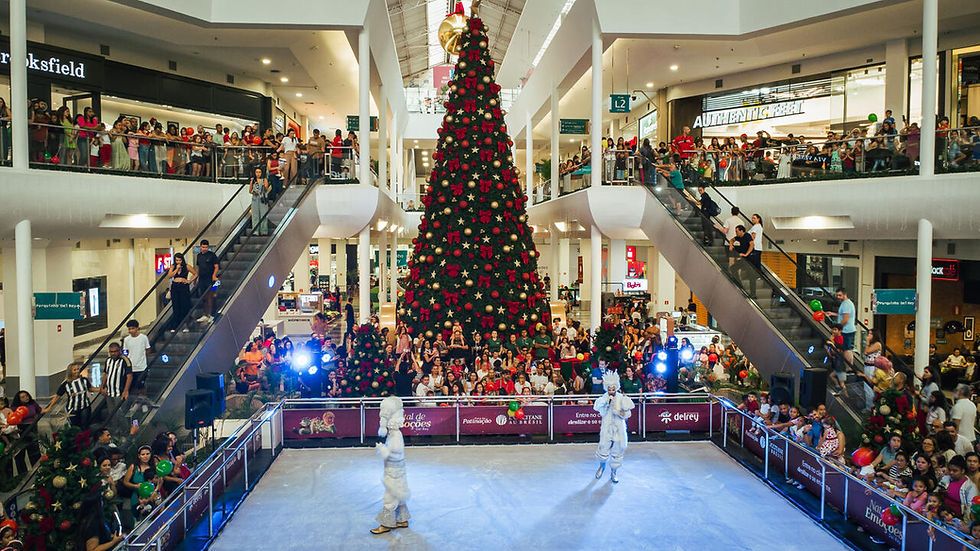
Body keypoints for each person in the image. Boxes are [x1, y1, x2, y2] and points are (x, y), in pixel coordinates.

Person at [372, 395, 410, 534]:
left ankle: (386, 524)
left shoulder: (395, 435)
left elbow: (395, 451)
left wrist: (383, 450)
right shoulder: (394, 434)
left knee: (390, 495)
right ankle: (401, 519)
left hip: (394, 470)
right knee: (398, 492)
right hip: (396, 469)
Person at [593, 370, 635, 483]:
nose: (611, 391)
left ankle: (614, 472)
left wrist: (620, 412)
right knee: (603, 448)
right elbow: (597, 408)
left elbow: (628, 414)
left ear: (616, 387)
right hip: (607, 428)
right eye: (609, 389)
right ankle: (601, 466)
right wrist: (606, 402)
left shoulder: (622, 398)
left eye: (613, 388)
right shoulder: (604, 398)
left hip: (618, 428)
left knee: (618, 450)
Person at [41, 363, 98, 429]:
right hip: (72, 410)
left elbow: (91, 388)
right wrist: (49, 407)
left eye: (78, 369)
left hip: (85, 407)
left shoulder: (84, 380)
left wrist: (102, 389)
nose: (77, 371)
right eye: (74, 370)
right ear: (70, 372)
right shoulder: (65, 384)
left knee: (85, 425)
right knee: (75, 427)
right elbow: (57, 396)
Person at [165, 253, 197, 332]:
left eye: (179, 260)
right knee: (176, 306)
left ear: (182, 260)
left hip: (183, 286)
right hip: (175, 286)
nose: (178, 262)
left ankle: (185, 325)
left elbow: (196, 273)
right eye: (176, 260)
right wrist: (176, 269)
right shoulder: (173, 266)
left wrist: (189, 281)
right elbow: (169, 276)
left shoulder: (187, 266)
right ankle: (175, 326)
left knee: (184, 306)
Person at [99, 343, 132, 415]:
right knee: (111, 414)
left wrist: (125, 391)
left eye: (115, 351)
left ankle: (124, 426)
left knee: (121, 414)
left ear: (119, 351)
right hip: (109, 392)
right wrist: (102, 387)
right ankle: (113, 426)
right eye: (111, 352)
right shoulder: (108, 360)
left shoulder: (125, 360)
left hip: (119, 393)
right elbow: (106, 374)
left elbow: (129, 376)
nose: (113, 353)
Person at [826, 288, 856, 365]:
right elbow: (842, 315)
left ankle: (849, 366)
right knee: (845, 348)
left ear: (845, 295)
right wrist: (832, 314)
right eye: (837, 295)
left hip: (847, 330)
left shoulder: (846, 304)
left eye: (840, 295)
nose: (838, 297)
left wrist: (837, 328)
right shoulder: (845, 303)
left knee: (847, 349)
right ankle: (848, 365)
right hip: (846, 330)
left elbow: (845, 319)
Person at [194, 239, 220, 324]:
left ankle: (212, 314)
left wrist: (214, 275)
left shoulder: (212, 255)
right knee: (204, 297)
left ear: (208, 247)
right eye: (203, 247)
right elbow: (198, 268)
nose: (204, 248)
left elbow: (216, 266)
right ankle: (205, 314)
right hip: (202, 279)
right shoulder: (199, 256)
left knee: (211, 297)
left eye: (206, 247)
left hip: (210, 279)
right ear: (200, 247)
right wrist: (195, 279)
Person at [730, 225, 756, 296]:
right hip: (744, 259)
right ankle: (740, 285)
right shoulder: (739, 237)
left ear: (741, 231)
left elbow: (752, 245)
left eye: (737, 231)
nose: (736, 233)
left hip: (750, 258)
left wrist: (746, 254)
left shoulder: (747, 235)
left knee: (751, 275)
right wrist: (731, 245)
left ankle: (753, 294)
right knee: (733, 268)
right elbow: (732, 240)